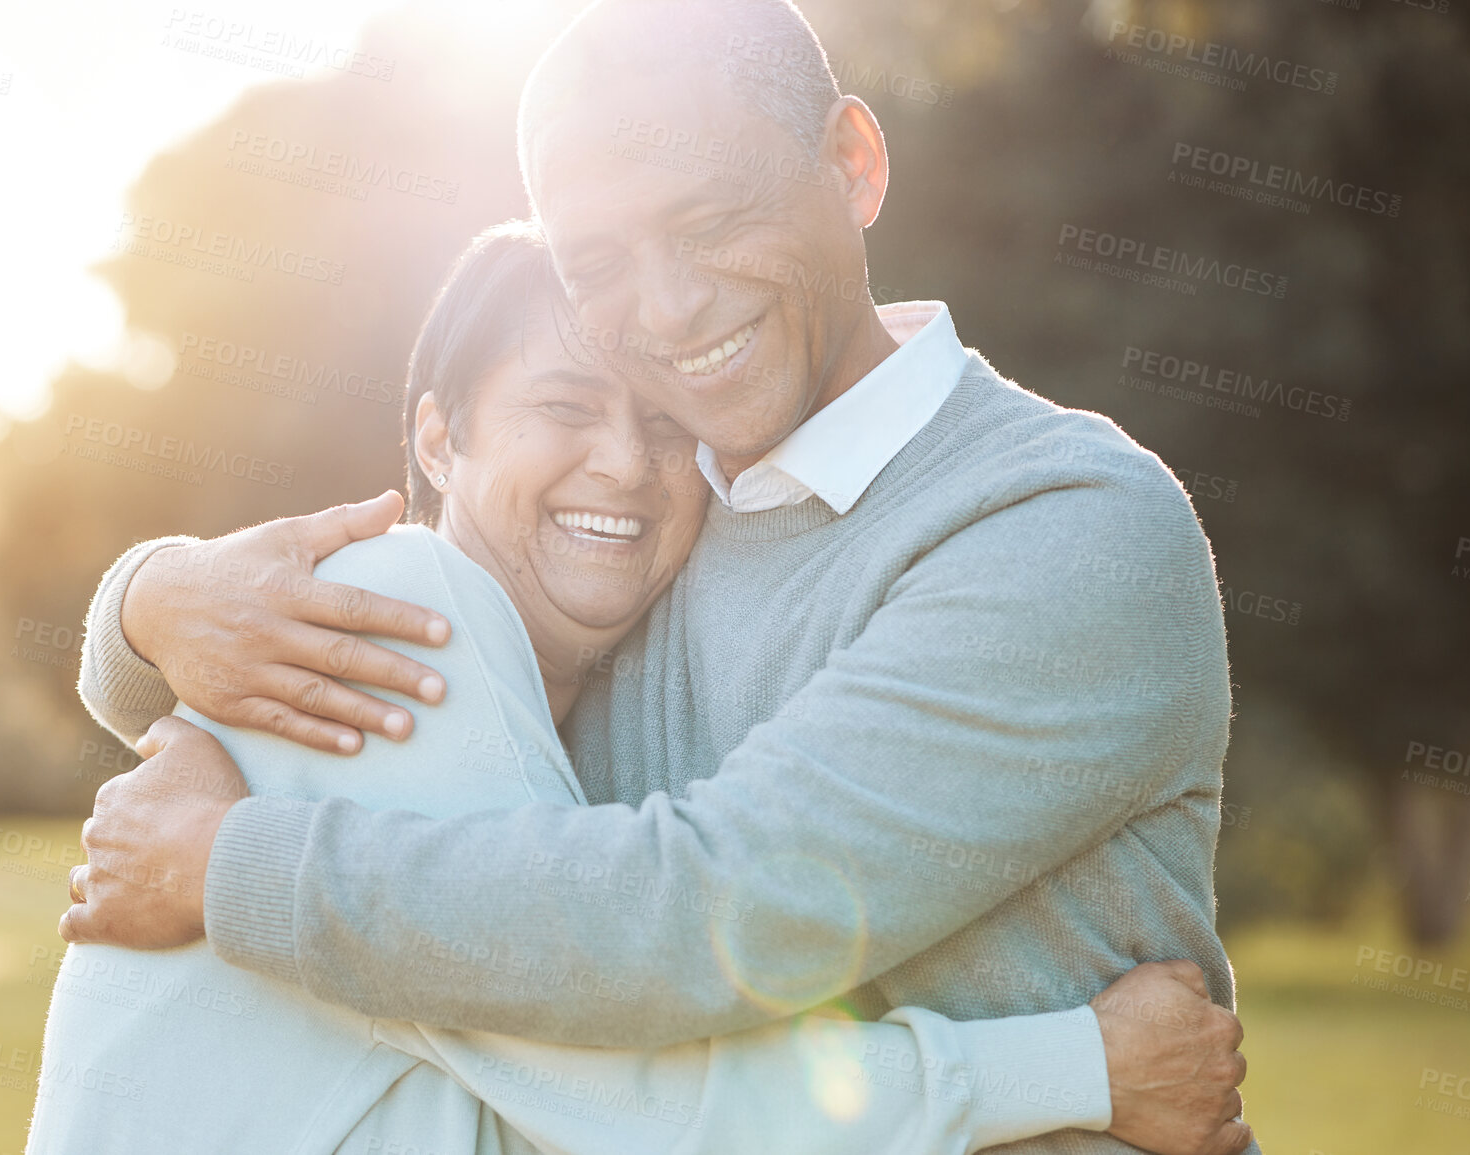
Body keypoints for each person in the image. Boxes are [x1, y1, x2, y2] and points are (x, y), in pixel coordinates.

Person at [67, 3, 1255, 1153]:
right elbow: (366, 715)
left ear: (851, 163)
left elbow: (705, 915)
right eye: (598, 261)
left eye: (711, 218)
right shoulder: (646, 554)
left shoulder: (1065, 528)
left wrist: (226, 866)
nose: (671, 307)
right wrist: (147, 609)